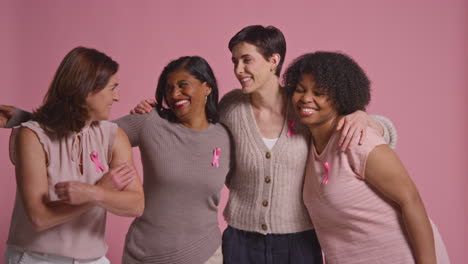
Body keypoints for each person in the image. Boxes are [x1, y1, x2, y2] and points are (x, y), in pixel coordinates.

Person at [131, 25, 397, 264]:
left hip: (300, 241)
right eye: (234, 61)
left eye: (247, 60)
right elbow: (194, 129)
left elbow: (377, 129)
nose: (238, 70)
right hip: (241, 240)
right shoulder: (230, 107)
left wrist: (363, 116)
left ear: (273, 60)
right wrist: (158, 114)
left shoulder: (304, 104)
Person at [2, 56, 230, 264]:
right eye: (169, 88)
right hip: (146, 254)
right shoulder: (150, 122)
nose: (174, 94)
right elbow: (81, 130)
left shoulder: (225, 136)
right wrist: (27, 120)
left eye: (183, 85)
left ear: (207, 87)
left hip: (205, 255)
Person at [284, 51, 450, 264]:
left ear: (340, 97)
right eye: (300, 90)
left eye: (318, 92)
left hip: (402, 257)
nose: (306, 98)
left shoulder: (357, 140)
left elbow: (411, 200)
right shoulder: (306, 142)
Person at [3, 47, 144, 264]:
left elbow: (136, 203)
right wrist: (97, 195)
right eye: (112, 88)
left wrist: (94, 193)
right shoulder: (31, 135)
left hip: (94, 259)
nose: (117, 97)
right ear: (87, 90)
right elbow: (39, 218)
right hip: (35, 259)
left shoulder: (114, 136)